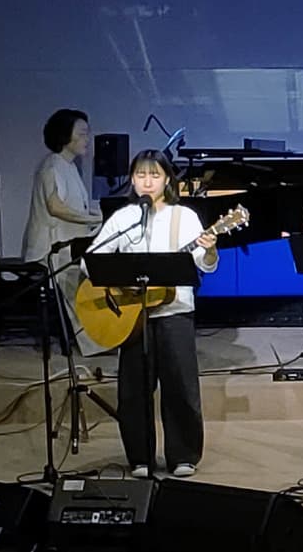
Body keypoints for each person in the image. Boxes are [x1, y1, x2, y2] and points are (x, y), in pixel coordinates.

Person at [87, 150, 216, 479]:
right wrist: (120, 282)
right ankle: (140, 457)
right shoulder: (124, 217)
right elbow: (92, 261)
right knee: (133, 390)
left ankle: (183, 455)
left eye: (154, 175)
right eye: (141, 175)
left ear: (167, 179)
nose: (147, 182)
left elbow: (204, 264)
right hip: (132, 317)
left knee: (180, 386)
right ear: (132, 180)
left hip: (175, 311)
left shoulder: (184, 216)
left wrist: (210, 248)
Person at [22, 108, 105, 357]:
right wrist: (92, 219)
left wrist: (96, 214)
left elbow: (77, 205)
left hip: (67, 241)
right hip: (51, 247)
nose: (87, 139)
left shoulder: (68, 166)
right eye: (82, 133)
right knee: (78, 283)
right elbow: (55, 206)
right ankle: (95, 343)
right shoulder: (51, 166)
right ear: (65, 136)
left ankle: (104, 335)